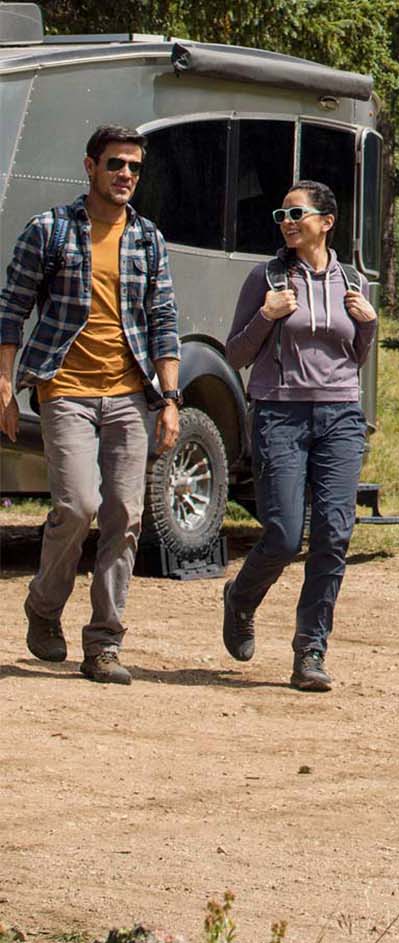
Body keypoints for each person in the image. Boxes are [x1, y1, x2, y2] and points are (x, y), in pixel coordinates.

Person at [0, 125, 180, 685]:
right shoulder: (50, 230)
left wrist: (171, 399)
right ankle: (44, 606)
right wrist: (5, 386)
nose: (126, 175)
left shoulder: (148, 239)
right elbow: (11, 310)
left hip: (129, 395)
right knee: (78, 507)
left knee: (125, 516)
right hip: (65, 390)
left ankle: (104, 642)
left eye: (134, 167)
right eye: (116, 164)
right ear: (90, 166)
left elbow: (165, 322)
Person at [219, 180, 376, 693]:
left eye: (297, 213)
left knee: (334, 535)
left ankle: (311, 650)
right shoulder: (264, 278)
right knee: (285, 535)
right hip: (280, 414)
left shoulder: (352, 280)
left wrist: (369, 326)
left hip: (340, 416)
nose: (287, 222)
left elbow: (355, 357)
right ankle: (241, 599)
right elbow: (236, 356)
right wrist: (266, 317)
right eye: (282, 215)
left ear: (326, 222)